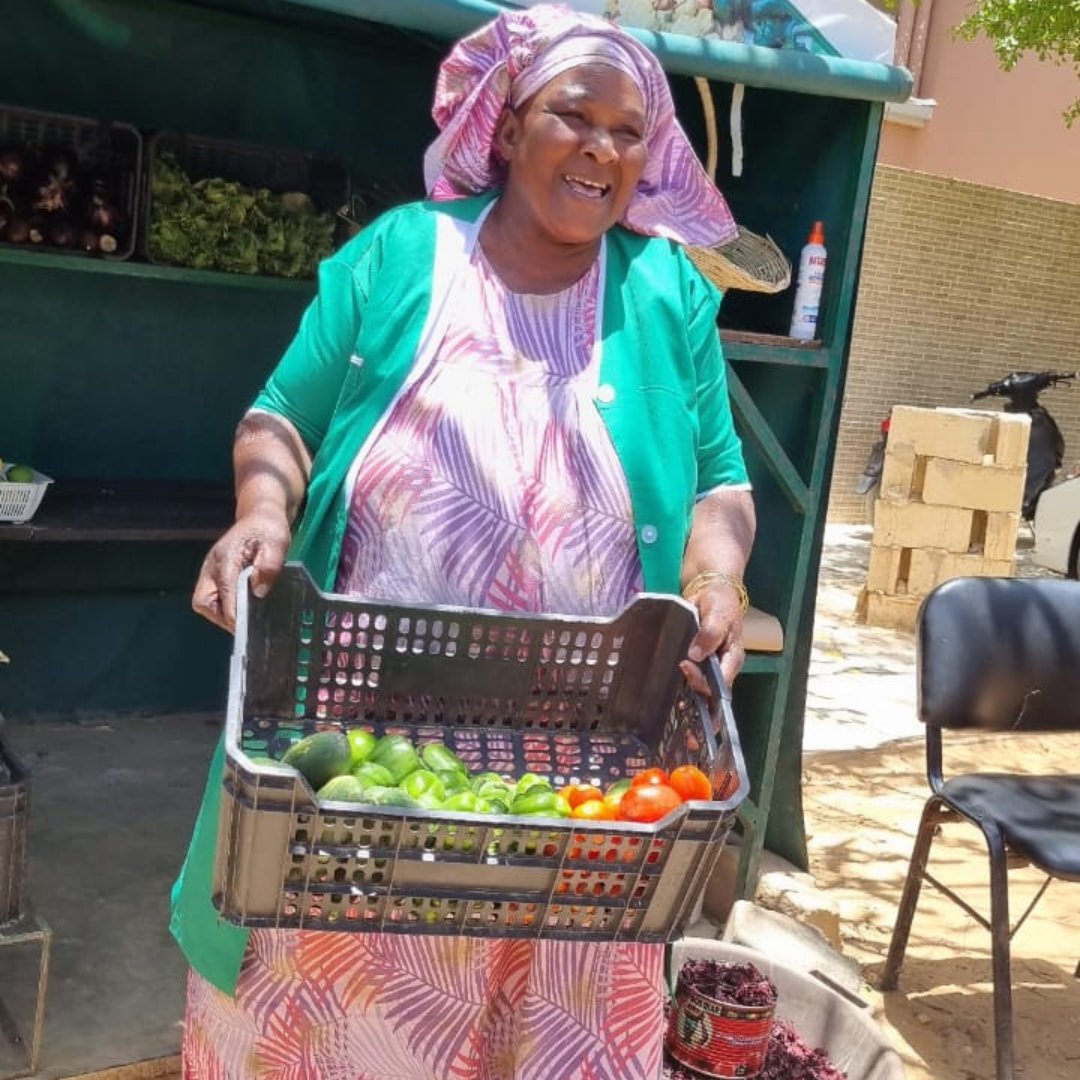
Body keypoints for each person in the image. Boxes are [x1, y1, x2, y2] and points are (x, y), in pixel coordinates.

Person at [173, 5, 756, 1077]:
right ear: (505, 125)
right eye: (573, 117)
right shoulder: (400, 258)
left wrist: (716, 570)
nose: (602, 149)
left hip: (584, 798)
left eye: (631, 131)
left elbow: (722, 477)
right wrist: (263, 511)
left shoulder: (669, 293)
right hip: (364, 788)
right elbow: (281, 420)